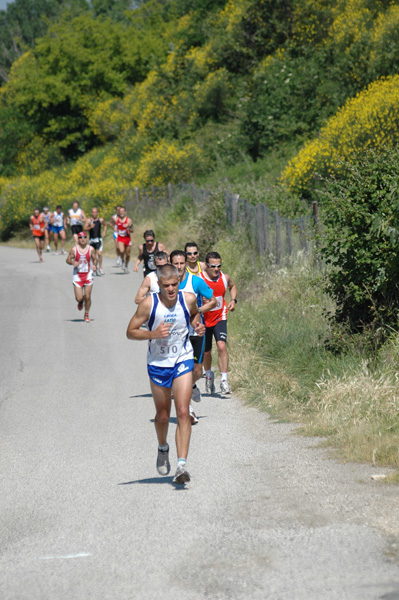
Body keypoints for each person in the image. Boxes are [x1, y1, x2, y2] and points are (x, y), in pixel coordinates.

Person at [126, 264, 205, 484]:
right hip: (159, 363)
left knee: (182, 411)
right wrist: (153, 333)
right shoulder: (149, 304)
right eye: (166, 285)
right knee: (162, 415)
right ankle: (163, 447)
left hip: (182, 359)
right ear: (158, 283)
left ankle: (181, 466)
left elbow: (194, 315)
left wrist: (197, 326)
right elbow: (130, 332)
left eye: (174, 284)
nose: (171, 289)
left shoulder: (188, 299)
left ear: (178, 282)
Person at [170, 250, 217, 425]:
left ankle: (191, 385)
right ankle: (188, 409)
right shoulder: (167, 284)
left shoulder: (195, 281)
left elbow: (213, 301)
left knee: (197, 371)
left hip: (196, 332)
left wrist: (197, 311)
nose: (179, 267)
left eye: (182, 263)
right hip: (176, 335)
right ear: (171, 264)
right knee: (181, 372)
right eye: (176, 264)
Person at [200, 251, 238, 395]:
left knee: (221, 345)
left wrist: (233, 300)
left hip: (220, 316)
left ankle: (224, 380)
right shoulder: (199, 279)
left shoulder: (224, 278)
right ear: (206, 266)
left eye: (219, 266)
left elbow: (232, 286)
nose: (216, 269)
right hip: (204, 318)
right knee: (207, 351)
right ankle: (209, 375)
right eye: (213, 266)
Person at [66, 231, 97, 323]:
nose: (83, 239)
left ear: (87, 239)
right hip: (77, 276)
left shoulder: (91, 249)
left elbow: (94, 259)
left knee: (87, 296)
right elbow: (67, 260)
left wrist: (94, 265)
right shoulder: (74, 250)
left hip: (88, 275)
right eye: (80, 237)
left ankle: (86, 314)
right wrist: (72, 262)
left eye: (84, 237)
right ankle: (80, 302)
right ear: (78, 240)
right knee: (79, 298)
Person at [84, 207, 107, 276]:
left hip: (99, 239)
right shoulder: (89, 220)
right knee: (93, 255)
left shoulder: (101, 220)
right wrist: (90, 227)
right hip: (91, 240)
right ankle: (94, 267)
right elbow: (84, 228)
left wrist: (104, 232)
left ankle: (100, 267)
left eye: (95, 212)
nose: (94, 213)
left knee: (99, 253)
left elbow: (105, 225)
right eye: (93, 212)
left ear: (97, 213)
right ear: (91, 213)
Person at [115, 206, 133, 273]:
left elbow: (132, 230)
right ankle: (122, 260)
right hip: (120, 238)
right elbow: (113, 224)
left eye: (123, 211)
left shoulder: (128, 220)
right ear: (118, 212)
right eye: (120, 211)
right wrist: (114, 229)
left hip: (127, 238)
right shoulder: (116, 219)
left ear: (125, 212)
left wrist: (128, 226)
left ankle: (126, 266)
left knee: (128, 254)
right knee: (121, 251)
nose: (122, 213)